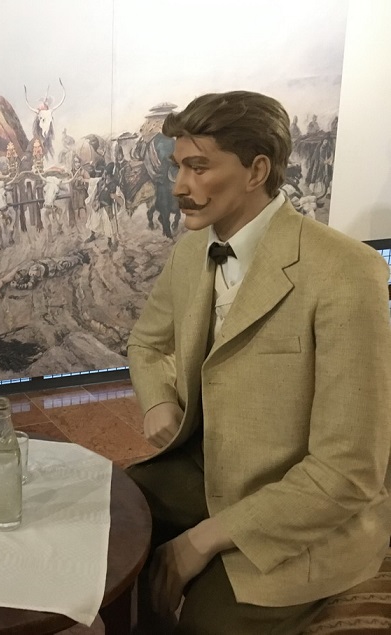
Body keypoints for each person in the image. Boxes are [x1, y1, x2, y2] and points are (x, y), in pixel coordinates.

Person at [125, 90, 391, 634]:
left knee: (206, 626)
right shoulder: (192, 250)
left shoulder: (345, 273)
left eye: (199, 168)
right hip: (205, 471)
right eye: (178, 167)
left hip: (304, 513)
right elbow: (146, 345)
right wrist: (157, 401)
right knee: (110, 524)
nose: (179, 186)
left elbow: (348, 472)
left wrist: (200, 541)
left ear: (257, 171)